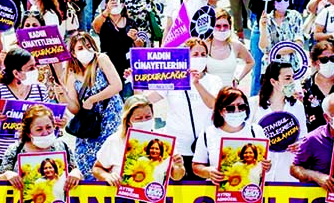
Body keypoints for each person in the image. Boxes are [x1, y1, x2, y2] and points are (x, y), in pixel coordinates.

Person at [146, 38, 222, 179]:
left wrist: (197, 84)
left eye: (203, 54)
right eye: (195, 54)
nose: (200, 58)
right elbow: (147, 100)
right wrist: (136, 81)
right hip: (178, 146)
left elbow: (214, 104)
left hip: (204, 146)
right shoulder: (173, 78)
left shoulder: (214, 80)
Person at [0, 47, 51, 178]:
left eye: (35, 66)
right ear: (16, 73)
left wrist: (58, 122)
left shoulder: (40, 90)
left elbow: (50, 122)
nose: (35, 71)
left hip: (35, 154)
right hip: (5, 158)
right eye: (30, 68)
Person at [61, 32, 123, 179]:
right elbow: (75, 108)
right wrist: (62, 95)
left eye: (88, 46)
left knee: (111, 159)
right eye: (81, 48)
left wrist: (92, 100)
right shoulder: (71, 74)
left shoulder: (101, 59)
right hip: (89, 125)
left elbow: (117, 85)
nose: (86, 51)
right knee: (87, 162)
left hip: (110, 117)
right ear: (74, 53)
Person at [92, 95, 186, 185]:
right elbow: (97, 168)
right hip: (122, 197)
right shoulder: (115, 141)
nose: (144, 121)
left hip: (152, 196)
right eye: (138, 118)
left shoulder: (164, 141)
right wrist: (107, 176)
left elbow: (177, 176)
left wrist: (178, 166)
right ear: (128, 120)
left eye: (148, 117)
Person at [192, 87, 272, 183]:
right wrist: (208, 172)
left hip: (250, 192)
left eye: (241, 107)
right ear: (221, 111)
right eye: (231, 108)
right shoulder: (208, 133)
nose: (237, 111)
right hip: (217, 191)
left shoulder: (256, 131)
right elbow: (196, 166)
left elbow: (266, 163)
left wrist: (266, 166)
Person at [0, 105, 82, 192]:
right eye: (39, 129)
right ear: (28, 133)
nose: (45, 133)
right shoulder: (15, 149)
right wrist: (8, 174)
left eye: (48, 127)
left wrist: (76, 173)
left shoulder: (62, 147)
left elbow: (76, 171)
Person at [250, 62, 307, 181]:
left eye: (293, 77)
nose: (292, 82)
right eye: (287, 78)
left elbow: (303, 138)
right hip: (259, 173)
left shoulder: (297, 106)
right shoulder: (253, 104)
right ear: (273, 82)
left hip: (288, 173)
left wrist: (299, 145)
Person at [92, 0, 140, 99]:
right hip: (108, 63)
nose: (115, 5)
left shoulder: (130, 22)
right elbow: (95, 26)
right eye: (112, 2)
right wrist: (107, 11)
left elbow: (139, 46)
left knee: (127, 96)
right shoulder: (104, 22)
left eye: (118, 2)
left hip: (126, 65)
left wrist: (135, 39)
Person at [207, 9, 254, 87]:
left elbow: (250, 62)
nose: (222, 29)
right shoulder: (204, 46)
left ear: (230, 26)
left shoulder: (236, 46)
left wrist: (237, 79)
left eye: (225, 26)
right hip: (208, 93)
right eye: (218, 26)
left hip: (229, 94)